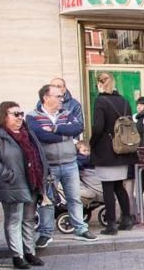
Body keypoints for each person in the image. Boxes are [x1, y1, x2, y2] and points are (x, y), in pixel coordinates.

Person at [0, 101, 49, 269]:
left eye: (21, 114)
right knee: (14, 220)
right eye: (15, 114)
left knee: (29, 219)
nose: (20, 118)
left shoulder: (28, 133)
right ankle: (17, 256)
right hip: (12, 184)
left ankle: (29, 252)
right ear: (4, 116)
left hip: (32, 183)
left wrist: (44, 174)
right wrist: (7, 174)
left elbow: (39, 155)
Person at [27, 83, 97, 245]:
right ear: (46, 97)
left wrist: (55, 128)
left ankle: (81, 229)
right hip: (48, 166)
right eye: (58, 96)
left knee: (74, 198)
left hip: (70, 163)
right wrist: (64, 134)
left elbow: (78, 128)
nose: (62, 99)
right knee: (47, 200)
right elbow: (40, 135)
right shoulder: (32, 116)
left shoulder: (66, 113)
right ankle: (45, 233)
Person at [89, 72, 135, 235]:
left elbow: (98, 127)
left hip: (106, 150)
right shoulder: (124, 101)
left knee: (108, 187)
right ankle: (127, 219)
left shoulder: (100, 101)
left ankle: (111, 224)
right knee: (119, 187)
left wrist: (91, 143)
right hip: (122, 149)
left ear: (99, 84)